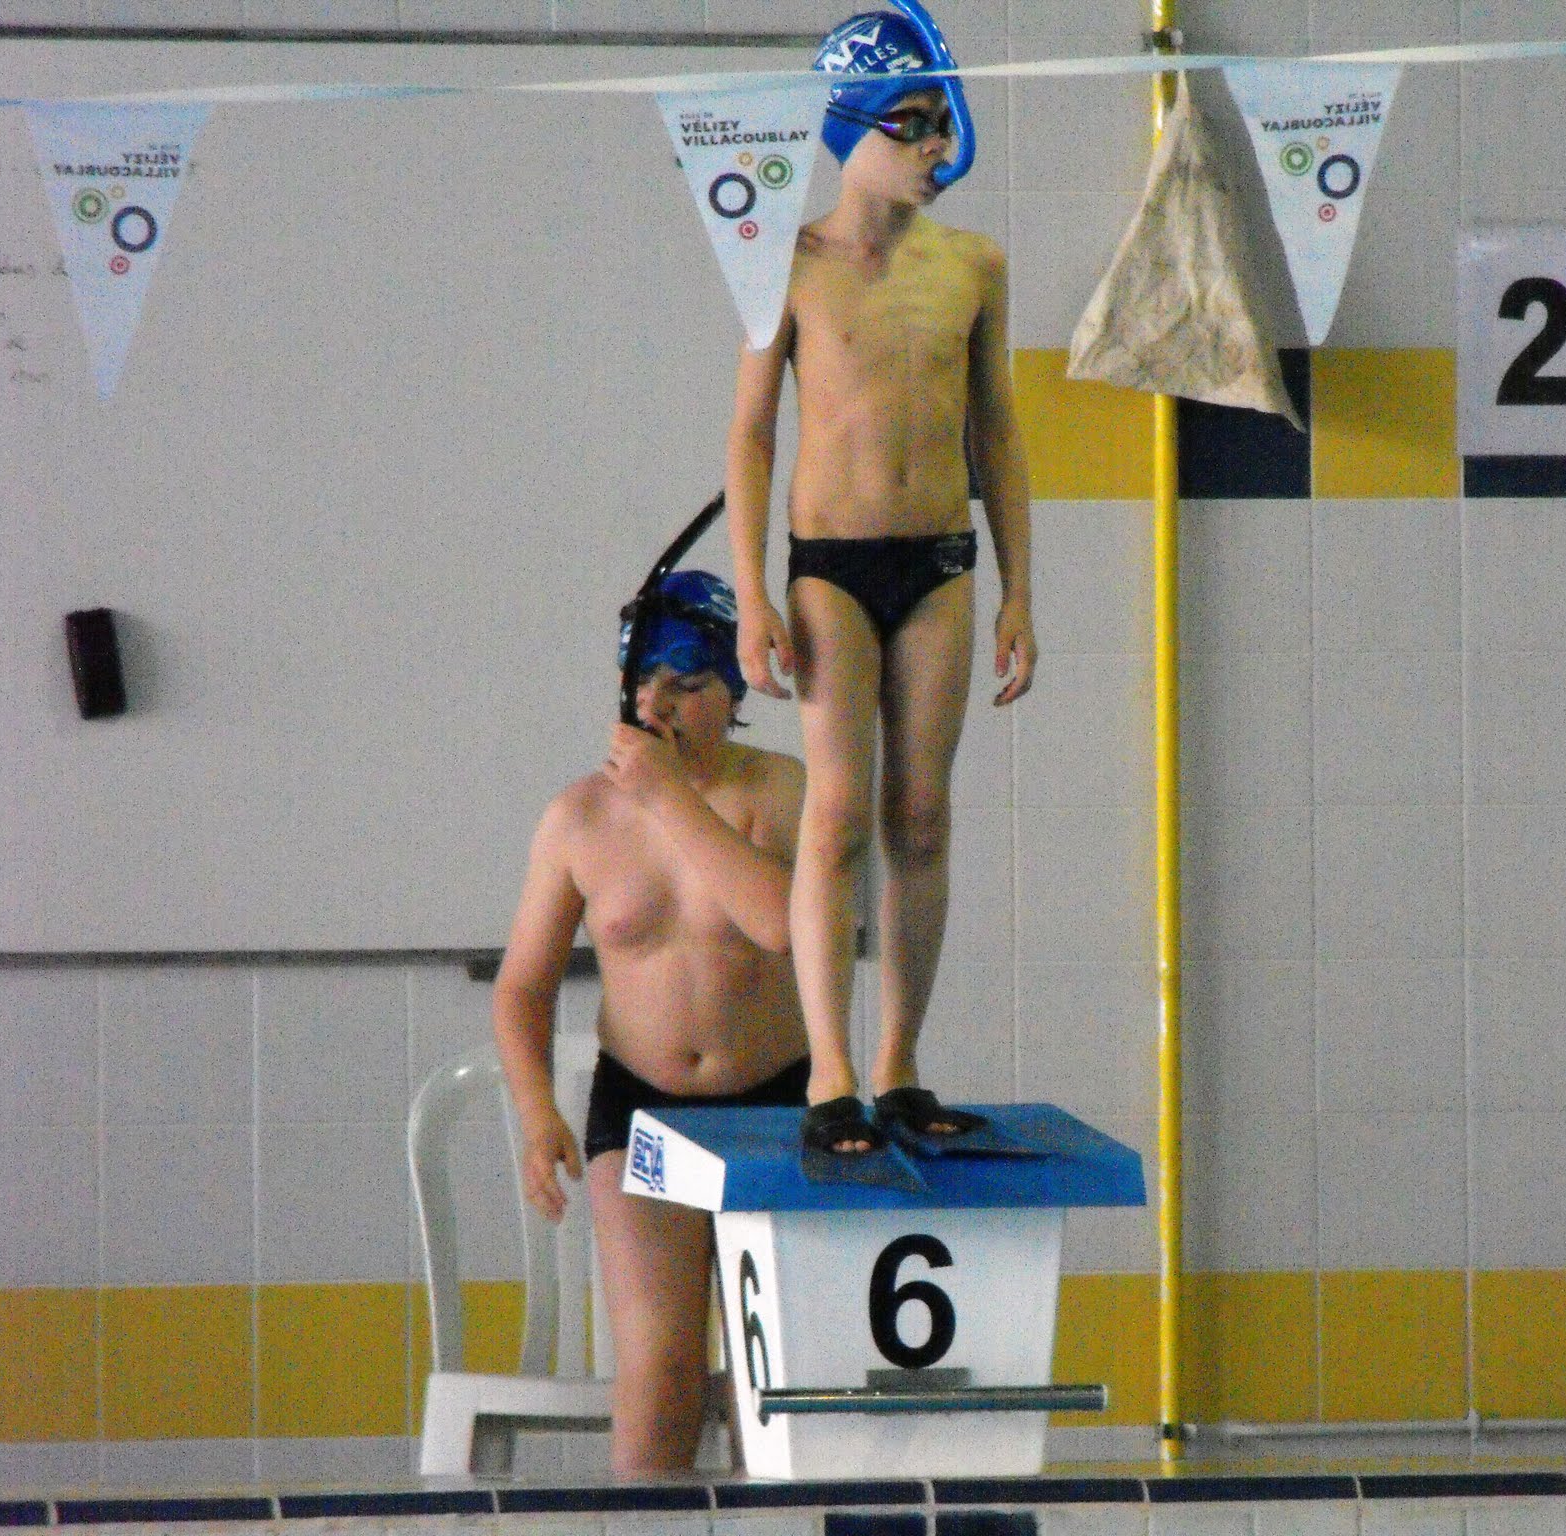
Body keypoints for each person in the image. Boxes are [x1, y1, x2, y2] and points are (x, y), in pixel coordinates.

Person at [726, 1, 1035, 1159]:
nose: (933, 147)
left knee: (922, 814)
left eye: (938, 123)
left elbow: (996, 433)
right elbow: (750, 434)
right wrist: (752, 594)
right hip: (831, 571)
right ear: (848, 130)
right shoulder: (785, 266)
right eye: (909, 124)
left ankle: (898, 1064)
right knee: (837, 815)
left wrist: (1019, 588)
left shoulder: (973, 265)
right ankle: (832, 1073)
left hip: (941, 563)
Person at [490, 569, 808, 1474]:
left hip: (773, 1106)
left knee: (771, 1376)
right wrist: (537, 1111)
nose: (658, 706)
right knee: (661, 1367)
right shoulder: (580, 818)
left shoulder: (781, 792)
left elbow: (780, 924)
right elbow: (521, 989)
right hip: (643, 1112)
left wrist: (672, 797)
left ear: (735, 694)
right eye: (643, 685)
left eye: (687, 685)